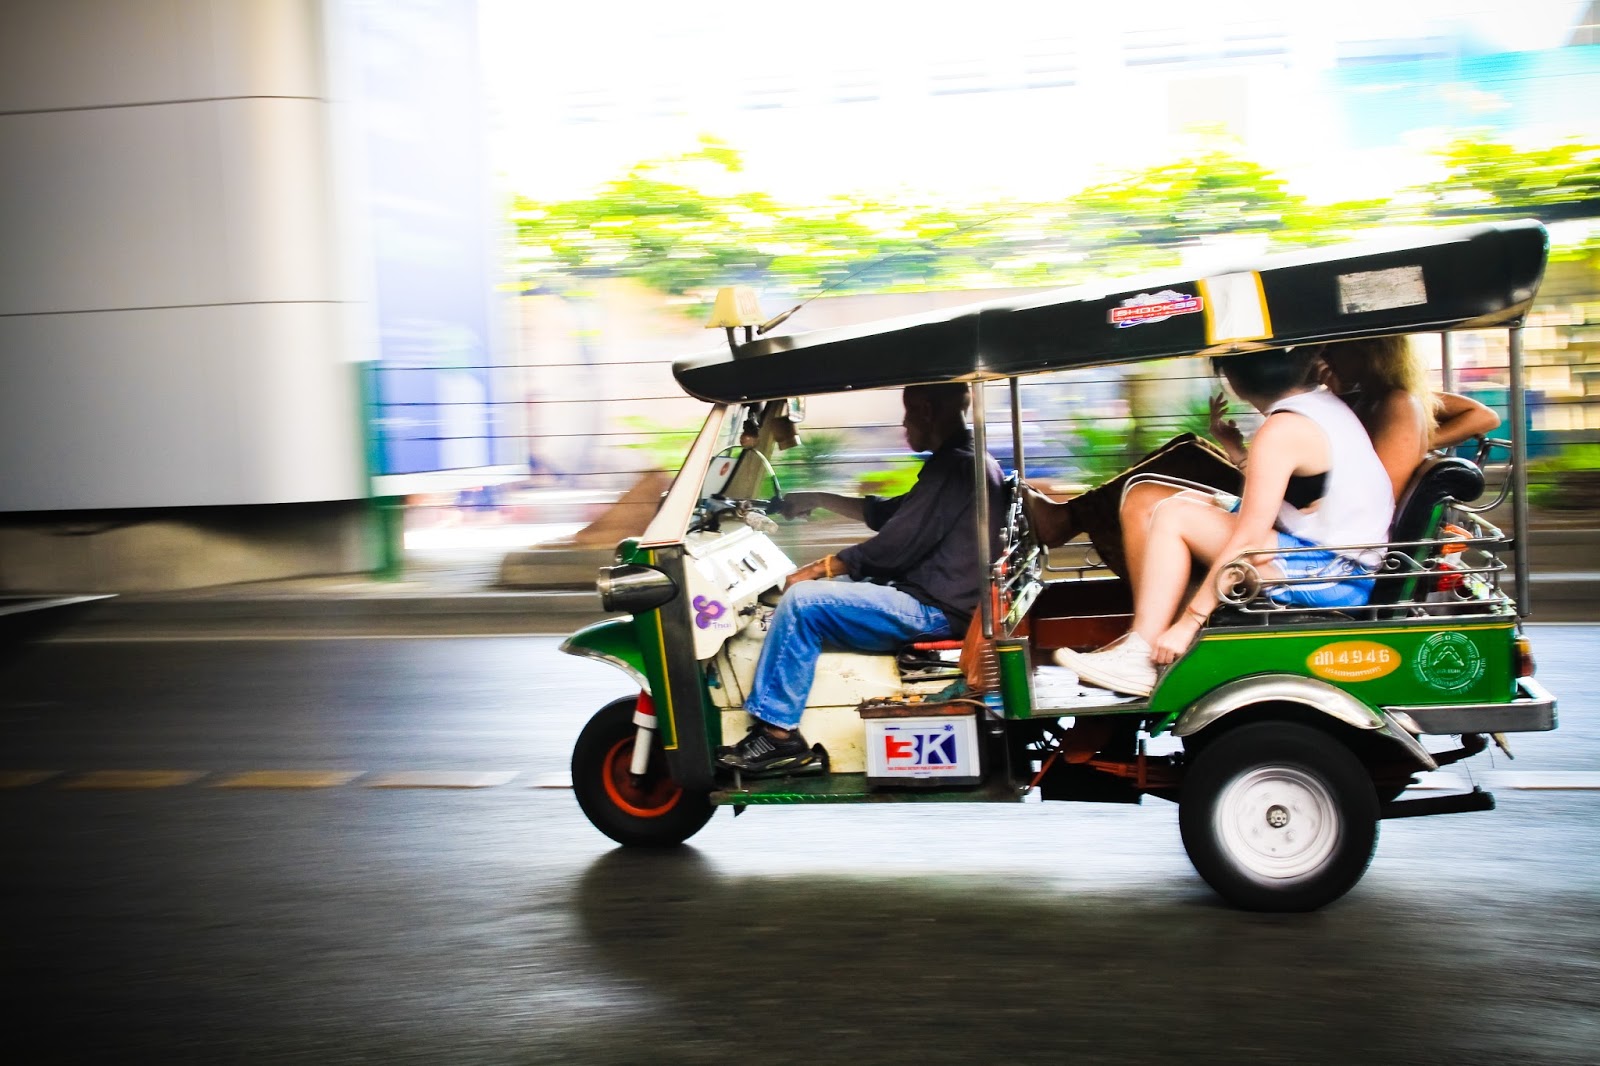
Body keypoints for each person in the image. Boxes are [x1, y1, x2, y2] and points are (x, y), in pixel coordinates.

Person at [1054, 347, 1395, 697]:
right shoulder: (1317, 406)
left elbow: (1248, 539)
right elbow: (1292, 493)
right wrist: (1234, 449)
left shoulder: (1282, 430)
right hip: (1322, 552)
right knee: (1147, 494)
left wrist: (1189, 624)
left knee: (1174, 515)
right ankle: (1143, 639)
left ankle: (1143, 653)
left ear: (1233, 381)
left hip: (1335, 574)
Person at [717, 382, 1005, 776]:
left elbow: (894, 547)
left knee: (804, 603)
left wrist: (820, 569)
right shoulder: (958, 460)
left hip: (935, 609)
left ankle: (779, 736)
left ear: (924, 410)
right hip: (932, 595)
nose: (904, 426)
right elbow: (892, 515)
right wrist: (817, 498)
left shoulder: (957, 467)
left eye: (906, 415)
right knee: (815, 596)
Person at [1318, 335, 1501, 500]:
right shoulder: (1367, 397)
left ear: (1367, 352)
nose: (1324, 357)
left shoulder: (1398, 401)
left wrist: (1422, 443)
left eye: (1333, 347)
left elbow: (1381, 497)